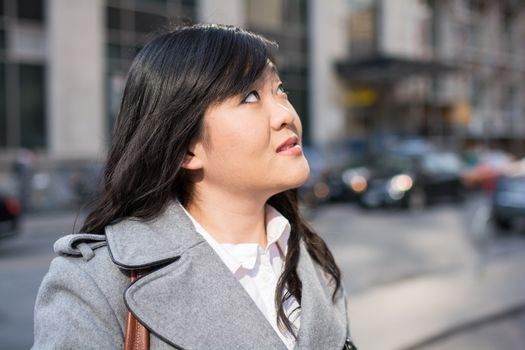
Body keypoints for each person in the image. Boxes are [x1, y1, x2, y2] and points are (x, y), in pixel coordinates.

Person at [32, 24, 356, 350]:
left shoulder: (309, 254)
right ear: (186, 148)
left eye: (280, 89)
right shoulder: (95, 286)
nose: (285, 114)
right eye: (250, 96)